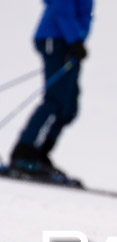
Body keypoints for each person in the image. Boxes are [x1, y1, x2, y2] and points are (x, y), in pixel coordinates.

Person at [5, 0, 93, 187]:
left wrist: (77, 41)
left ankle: (40, 155)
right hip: (57, 38)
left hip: (69, 42)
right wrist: (74, 40)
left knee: (68, 107)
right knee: (55, 101)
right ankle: (24, 153)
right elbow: (62, 7)